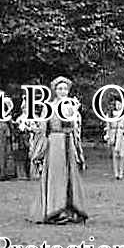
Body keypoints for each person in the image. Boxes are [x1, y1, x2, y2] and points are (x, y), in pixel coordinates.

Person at [29, 76, 87, 224]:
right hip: (55, 142)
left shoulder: (72, 106)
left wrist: (77, 148)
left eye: (65, 89)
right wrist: (40, 148)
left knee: (70, 175)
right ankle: (55, 210)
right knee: (56, 175)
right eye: (60, 89)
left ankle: (70, 210)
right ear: (55, 90)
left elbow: (75, 128)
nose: (63, 91)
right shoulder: (50, 107)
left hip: (69, 142)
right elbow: (43, 128)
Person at [104, 99, 124, 180]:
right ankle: (116, 172)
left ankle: (121, 172)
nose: (118, 106)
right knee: (115, 154)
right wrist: (108, 136)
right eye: (117, 104)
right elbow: (108, 126)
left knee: (122, 154)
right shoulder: (111, 114)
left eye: (120, 104)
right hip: (114, 133)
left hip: (122, 133)